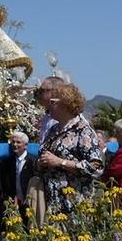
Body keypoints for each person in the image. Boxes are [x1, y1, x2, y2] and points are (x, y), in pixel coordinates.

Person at [37, 79, 106, 212]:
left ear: (65, 104)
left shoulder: (83, 131)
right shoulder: (54, 130)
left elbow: (96, 168)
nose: (48, 106)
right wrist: (40, 163)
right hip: (53, 203)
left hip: (74, 204)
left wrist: (60, 162)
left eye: (53, 102)